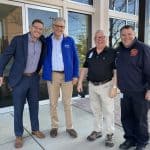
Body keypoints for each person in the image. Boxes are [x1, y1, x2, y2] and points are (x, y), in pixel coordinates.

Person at [0, 19, 46, 148]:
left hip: (34, 79)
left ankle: (35, 129)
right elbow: (5, 56)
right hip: (20, 80)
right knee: (18, 109)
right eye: (36, 28)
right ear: (31, 28)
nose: (38, 30)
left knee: (34, 107)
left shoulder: (43, 42)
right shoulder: (18, 40)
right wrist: (0, 73)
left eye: (40, 29)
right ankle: (19, 135)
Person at [77, 30, 117, 147]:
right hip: (92, 86)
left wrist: (114, 87)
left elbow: (116, 71)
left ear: (106, 38)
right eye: (97, 37)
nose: (100, 39)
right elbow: (85, 68)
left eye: (102, 37)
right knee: (96, 110)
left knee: (109, 111)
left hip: (106, 86)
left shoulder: (112, 52)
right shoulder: (91, 52)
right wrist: (80, 82)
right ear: (95, 39)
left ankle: (109, 133)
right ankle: (97, 130)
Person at [42, 17, 79, 138]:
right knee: (53, 103)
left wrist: (75, 75)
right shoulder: (46, 41)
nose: (59, 28)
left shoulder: (70, 40)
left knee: (67, 103)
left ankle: (70, 127)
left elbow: (75, 59)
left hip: (67, 76)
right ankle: (54, 126)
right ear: (53, 27)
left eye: (62, 26)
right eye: (57, 26)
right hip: (52, 75)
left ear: (64, 28)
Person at [115, 25, 150, 150]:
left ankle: (142, 141)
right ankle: (130, 139)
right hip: (125, 91)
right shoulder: (119, 50)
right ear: (120, 36)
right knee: (126, 118)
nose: (126, 37)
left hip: (140, 91)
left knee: (140, 119)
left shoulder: (143, 48)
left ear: (134, 34)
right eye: (123, 34)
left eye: (129, 34)